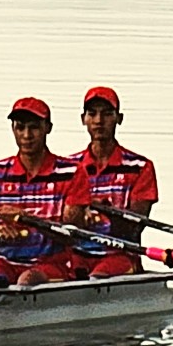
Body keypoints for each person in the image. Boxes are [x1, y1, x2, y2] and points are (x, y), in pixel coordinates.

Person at [0, 96, 88, 293]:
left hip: (54, 262)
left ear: (47, 128)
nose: (26, 135)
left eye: (34, 127)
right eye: (20, 127)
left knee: (26, 281)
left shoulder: (72, 173)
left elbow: (70, 235)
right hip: (5, 260)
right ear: (13, 129)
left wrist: (26, 219)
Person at [66, 86, 160, 277]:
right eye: (92, 114)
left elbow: (135, 226)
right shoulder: (67, 168)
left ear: (119, 118)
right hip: (76, 255)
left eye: (107, 114)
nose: (99, 121)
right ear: (83, 119)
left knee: (95, 279)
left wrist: (105, 212)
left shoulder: (140, 167)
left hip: (121, 254)